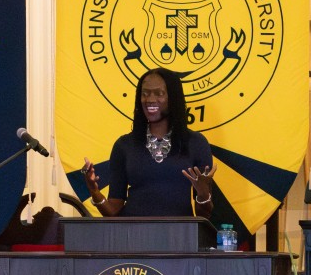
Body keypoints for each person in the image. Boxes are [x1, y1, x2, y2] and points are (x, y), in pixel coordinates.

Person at [82, 67, 215, 217]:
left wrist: (203, 194)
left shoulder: (196, 143)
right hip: (132, 230)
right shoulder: (124, 145)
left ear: (173, 98)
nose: (150, 100)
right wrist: (94, 191)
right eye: (145, 94)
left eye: (159, 93)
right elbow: (113, 211)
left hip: (179, 231)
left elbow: (204, 214)